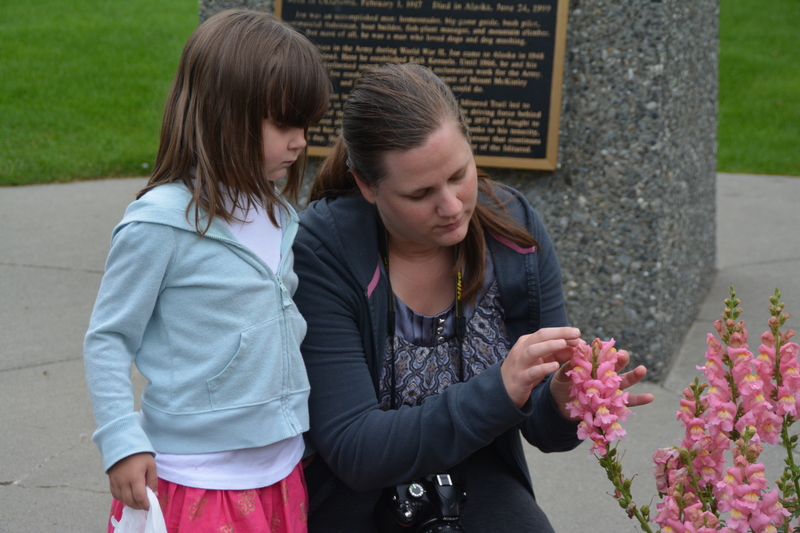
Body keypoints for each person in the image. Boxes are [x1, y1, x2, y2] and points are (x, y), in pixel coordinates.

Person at [292, 63, 654, 532]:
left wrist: (566, 401)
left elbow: (543, 431)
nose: (452, 206)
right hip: (351, 497)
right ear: (367, 186)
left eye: (459, 174)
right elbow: (357, 450)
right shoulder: (323, 250)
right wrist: (501, 388)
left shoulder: (513, 232)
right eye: (420, 193)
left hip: (477, 475)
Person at [83, 10, 330, 532]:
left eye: (305, 125)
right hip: (195, 480)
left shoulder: (281, 216)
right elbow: (108, 339)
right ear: (226, 115)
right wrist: (122, 441)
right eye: (284, 124)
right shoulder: (161, 223)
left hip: (282, 473)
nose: (300, 141)